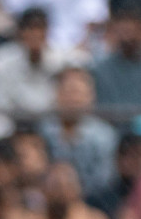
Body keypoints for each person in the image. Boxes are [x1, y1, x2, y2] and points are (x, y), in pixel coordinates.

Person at [38, 67, 118, 203]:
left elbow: (104, 179)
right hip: (48, 201)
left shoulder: (104, 135)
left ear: (91, 97)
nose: (73, 99)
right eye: (68, 92)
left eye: (79, 93)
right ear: (56, 94)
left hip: (93, 200)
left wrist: (75, 192)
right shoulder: (42, 129)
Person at [0, 7, 62, 117]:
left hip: (49, 125)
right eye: (30, 28)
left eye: (40, 28)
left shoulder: (60, 61)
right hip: (12, 122)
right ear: (20, 32)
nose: (35, 34)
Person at [91, 10, 141, 112]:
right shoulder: (101, 69)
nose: (128, 38)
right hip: (108, 124)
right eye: (124, 32)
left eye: (133, 31)